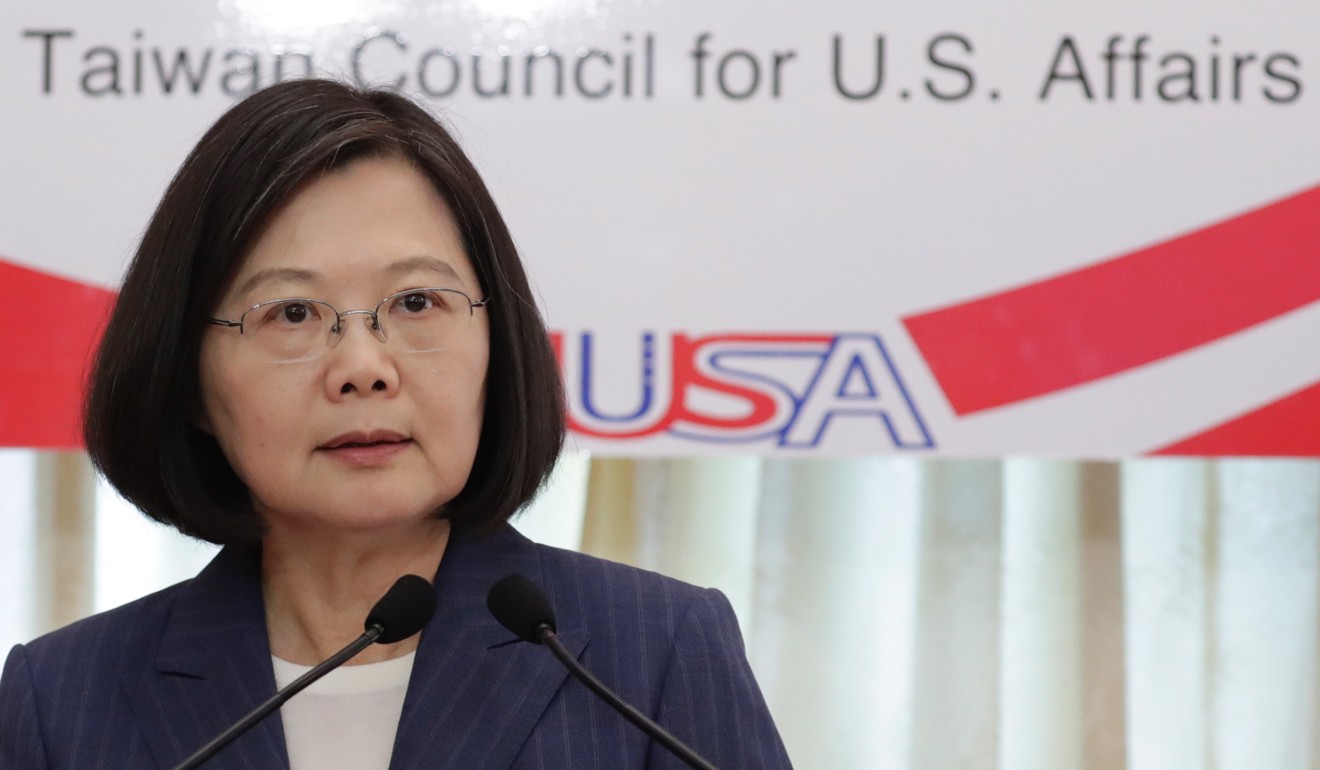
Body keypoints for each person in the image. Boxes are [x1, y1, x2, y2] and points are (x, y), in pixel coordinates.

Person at [0, 79, 792, 769]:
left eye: (417, 302)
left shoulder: (649, 656)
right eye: (291, 313)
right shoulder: (63, 699)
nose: (363, 366)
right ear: (190, 386)